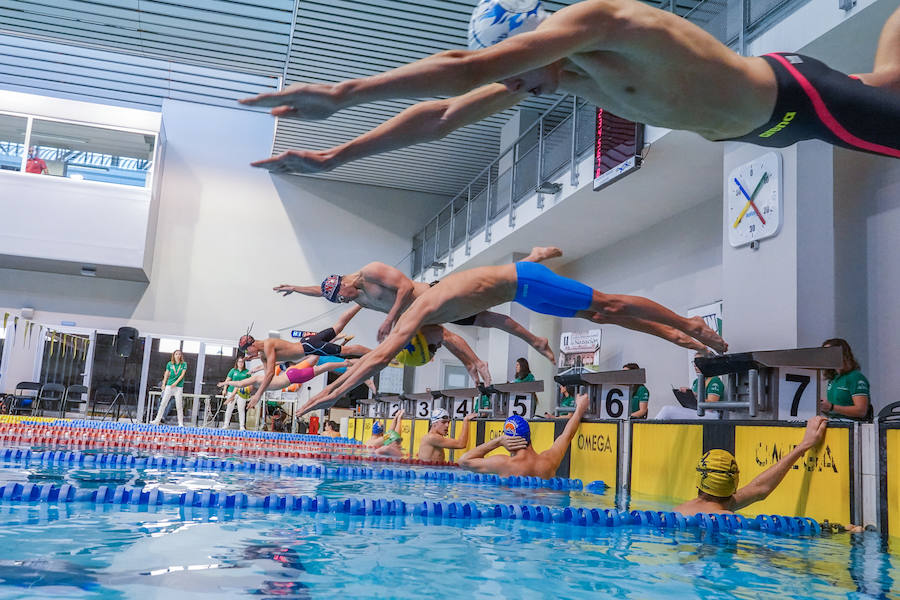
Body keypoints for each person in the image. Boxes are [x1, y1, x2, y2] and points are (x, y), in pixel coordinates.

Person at [243, 1, 900, 172]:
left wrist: (345, 94)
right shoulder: (566, 71)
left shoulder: (605, 23)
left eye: (513, 64)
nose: (514, 85)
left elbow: (464, 70)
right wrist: (336, 155)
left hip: (797, 100)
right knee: (892, 80)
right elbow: (444, 116)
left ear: (537, 39)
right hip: (769, 121)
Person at [301, 255, 725, 413]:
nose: (435, 344)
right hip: (526, 294)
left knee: (608, 304)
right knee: (601, 316)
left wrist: (332, 393)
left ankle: (688, 324)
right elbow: (473, 334)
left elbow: (377, 358)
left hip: (526, 281)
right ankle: (675, 336)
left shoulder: (423, 307)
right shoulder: (441, 317)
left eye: (429, 346)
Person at [272, 248, 559, 363]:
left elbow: (406, 287)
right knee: (465, 327)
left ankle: (531, 264)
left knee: (490, 306)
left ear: (343, 282)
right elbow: (320, 290)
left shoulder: (371, 272)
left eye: (342, 296)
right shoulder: (353, 294)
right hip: (423, 317)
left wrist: (390, 319)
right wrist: (295, 288)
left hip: (435, 298)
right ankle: (482, 362)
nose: (344, 301)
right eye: (340, 301)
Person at [674, 416, 827, 515]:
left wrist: (804, 445)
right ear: (734, 483)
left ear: (699, 481)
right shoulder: (730, 519)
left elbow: (759, 489)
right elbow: (760, 490)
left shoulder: (677, 512)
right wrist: (804, 444)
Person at [459, 392, 588, 478]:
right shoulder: (548, 461)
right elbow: (566, 435)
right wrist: (579, 409)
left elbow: (464, 461)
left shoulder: (504, 464)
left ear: (507, 439)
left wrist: (497, 441)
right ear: (529, 435)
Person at [217, 355, 350, 403]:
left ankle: (344, 363)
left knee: (320, 368)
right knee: (315, 360)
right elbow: (240, 384)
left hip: (292, 377)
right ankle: (342, 362)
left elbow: (240, 384)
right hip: (290, 374)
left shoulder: (258, 385)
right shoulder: (258, 382)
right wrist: (226, 386)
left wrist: (226, 383)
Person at [819, 338, 871, 421]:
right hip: (834, 422)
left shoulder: (855, 377)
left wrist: (831, 407)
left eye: (829, 353)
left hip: (850, 424)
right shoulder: (833, 378)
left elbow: (861, 411)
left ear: (842, 354)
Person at [150, 349, 188, 427]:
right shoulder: (170, 364)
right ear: (173, 355)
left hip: (178, 387)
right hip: (169, 386)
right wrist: (163, 384)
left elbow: (182, 375)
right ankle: (157, 420)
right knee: (163, 403)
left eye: (179, 354)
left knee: (179, 405)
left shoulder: (184, 364)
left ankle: (180, 423)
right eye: (176, 354)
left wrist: (176, 383)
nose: (178, 355)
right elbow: (166, 374)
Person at [221, 355, 251, 430]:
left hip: (242, 393)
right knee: (229, 408)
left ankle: (242, 426)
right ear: (237, 363)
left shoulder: (247, 372)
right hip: (231, 391)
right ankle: (226, 424)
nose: (241, 363)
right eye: (239, 362)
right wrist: (224, 389)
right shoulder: (233, 371)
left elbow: (250, 383)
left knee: (241, 409)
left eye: (242, 362)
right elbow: (227, 380)